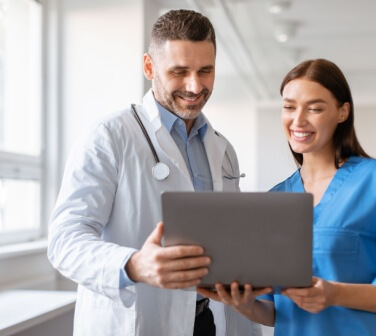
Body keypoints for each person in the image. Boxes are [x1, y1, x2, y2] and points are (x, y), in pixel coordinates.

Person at [48, 9, 261, 336]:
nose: (195, 85)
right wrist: (134, 265)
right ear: (149, 67)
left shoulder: (223, 149)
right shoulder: (109, 136)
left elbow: (225, 236)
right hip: (138, 322)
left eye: (206, 70)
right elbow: (64, 241)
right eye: (179, 71)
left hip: (207, 320)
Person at [198, 58, 376, 335]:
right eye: (289, 107)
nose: (298, 120)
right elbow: (275, 312)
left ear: (343, 112)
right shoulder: (276, 200)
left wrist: (335, 294)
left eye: (315, 108)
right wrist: (243, 305)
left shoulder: (371, 181)